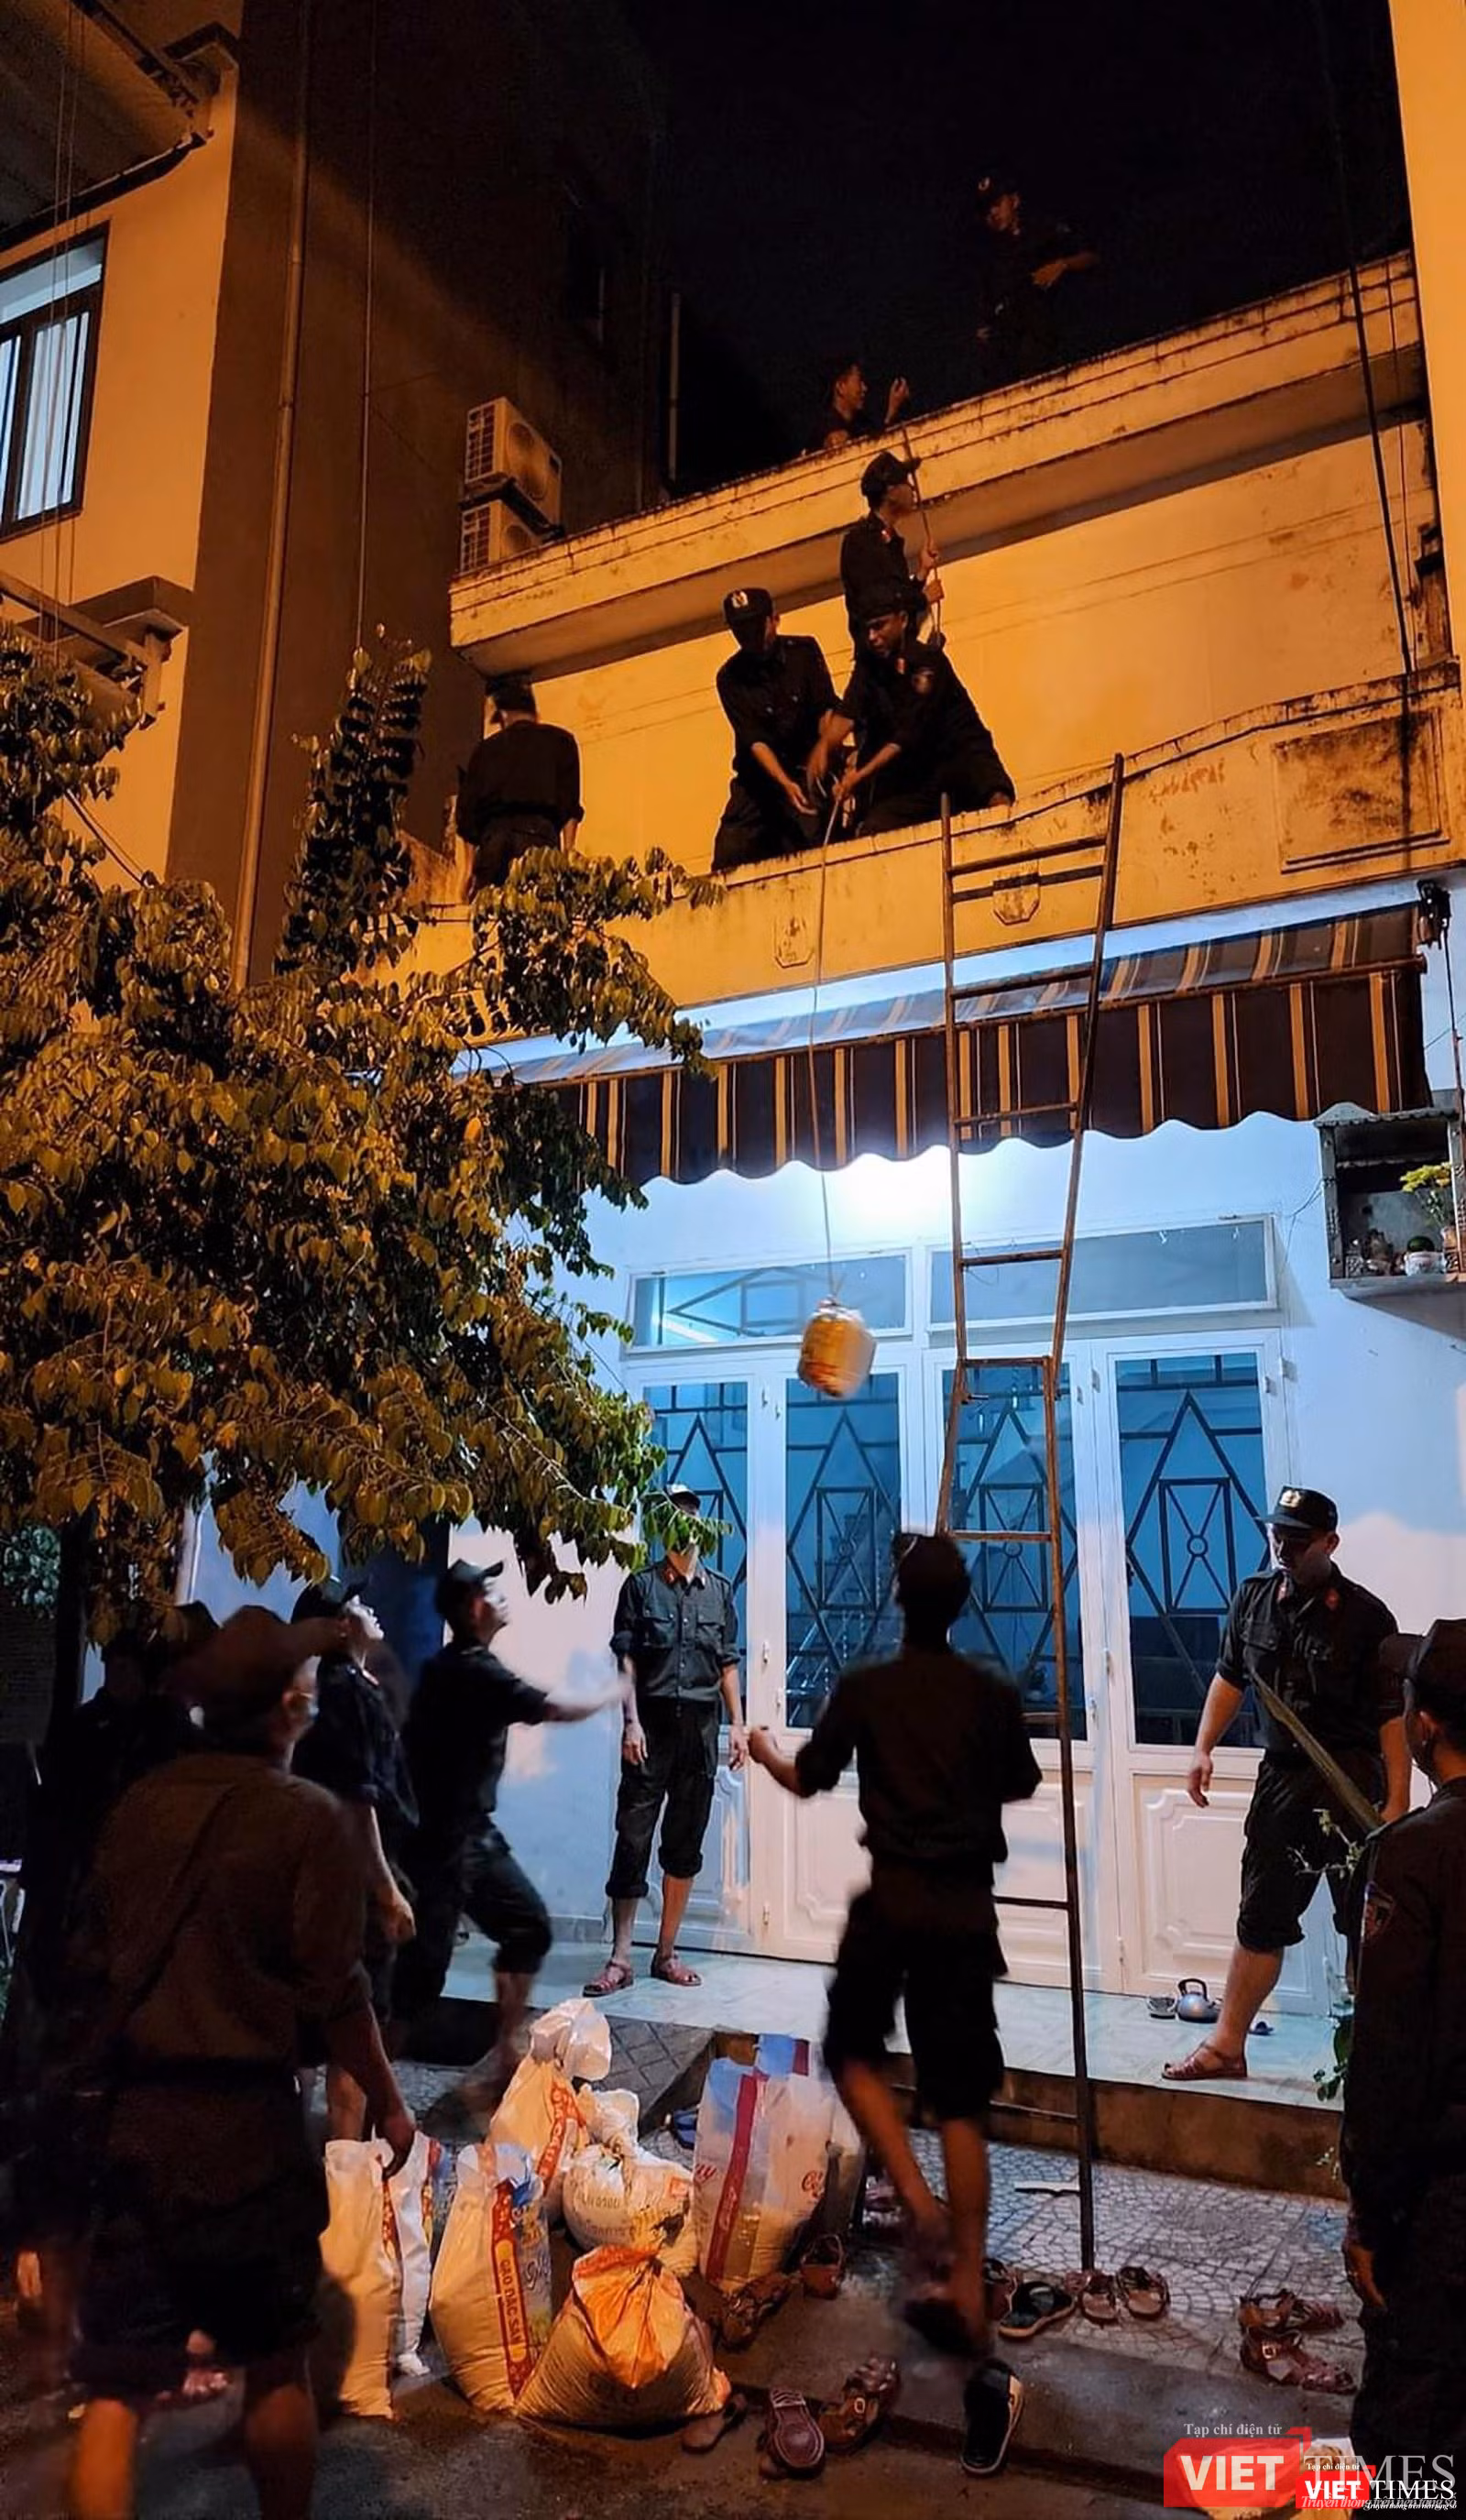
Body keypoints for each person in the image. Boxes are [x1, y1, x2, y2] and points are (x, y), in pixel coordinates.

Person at [67, 1608, 415, 2520]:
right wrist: (389, 2099)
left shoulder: (140, 1806)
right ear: (289, 1710)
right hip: (246, 2137)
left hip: (135, 2129)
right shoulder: (306, 1820)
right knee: (275, 2364)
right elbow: (337, 1992)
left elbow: (87, 1962)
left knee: (117, 2392)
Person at [748, 1533, 1039, 2480]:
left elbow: (807, 1777)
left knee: (849, 2052)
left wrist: (762, 1749)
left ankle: (914, 2202)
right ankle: (968, 2284)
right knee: (962, 2102)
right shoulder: (991, 1691)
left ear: (898, 1598)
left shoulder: (867, 1686)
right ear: (961, 1602)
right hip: (963, 1908)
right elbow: (1020, 1779)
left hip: (894, 1900)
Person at [1164, 1485, 1406, 2084]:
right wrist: (1202, 1749)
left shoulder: (1366, 1617)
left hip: (1349, 1782)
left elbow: (1391, 1717)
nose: (1284, 1548)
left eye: (1298, 1540)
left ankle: (1374, 2065)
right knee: (1260, 1914)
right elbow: (1230, 1678)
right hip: (1282, 1781)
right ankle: (1227, 2047)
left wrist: (1397, 1800)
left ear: (1330, 1543)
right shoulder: (1254, 1599)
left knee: (1366, 1927)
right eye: (1277, 1535)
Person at [393, 1559, 621, 2109]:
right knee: (417, 1982)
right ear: (475, 1607)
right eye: (490, 1589)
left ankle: (504, 2058)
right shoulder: (473, 1671)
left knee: (527, 1927)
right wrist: (613, 1692)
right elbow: (554, 1708)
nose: (500, 1596)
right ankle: (370, 2097)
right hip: (444, 1845)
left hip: (469, 1834)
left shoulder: (453, 1667)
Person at [1344, 1620, 1466, 2470]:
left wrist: (1370, 2214)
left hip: (1443, 2206)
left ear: (1424, 1724)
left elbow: (1387, 2064)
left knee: (1413, 2450)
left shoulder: (1415, 1855)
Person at [585, 1485, 746, 1998]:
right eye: (677, 1519)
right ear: (664, 1528)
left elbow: (727, 1663)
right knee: (632, 1837)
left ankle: (666, 1953)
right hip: (650, 1729)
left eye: (693, 1519)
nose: (685, 1528)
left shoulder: (719, 1591)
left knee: (684, 1842)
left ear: (702, 1528)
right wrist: (630, 1722)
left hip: (699, 1733)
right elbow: (627, 1660)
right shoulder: (640, 1587)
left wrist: (739, 1726)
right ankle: (620, 1957)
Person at [288, 1578, 418, 2140]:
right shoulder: (346, 1693)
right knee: (351, 2039)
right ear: (341, 1627)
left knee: (319, 2037)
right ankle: (342, 2172)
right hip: (352, 1888)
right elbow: (358, 1801)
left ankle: (310, 2160)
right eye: (357, 1606)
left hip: (334, 1882)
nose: (370, 1610)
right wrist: (387, 1892)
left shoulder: (344, 1688)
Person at [813, 601, 1014, 835]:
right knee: (875, 827)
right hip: (917, 779)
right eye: (867, 629)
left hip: (961, 760)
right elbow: (848, 714)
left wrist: (858, 776)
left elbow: (905, 736)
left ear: (902, 620)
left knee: (998, 805)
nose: (872, 637)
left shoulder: (928, 661)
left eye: (879, 626)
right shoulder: (868, 670)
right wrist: (823, 748)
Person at [712, 588, 838, 871]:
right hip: (758, 781)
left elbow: (825, 708)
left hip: (806, 770)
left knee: (818, 843)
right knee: (729, 854)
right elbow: (754, 740)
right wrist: (784, 783)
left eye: (755, 627)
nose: (749, 637)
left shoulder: (803, 652)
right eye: (740, 630)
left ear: (774, 619)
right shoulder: (729, 677)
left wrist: (824, 751)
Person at [973, 170, 1099, 391]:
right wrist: (985, 332)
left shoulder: (1044, 231)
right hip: (1013, 362)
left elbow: (1091, 256)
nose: (993, 213)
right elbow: (985, 316)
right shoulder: (991, 259)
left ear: (1014, 200)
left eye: (997, 204)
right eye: (986, 209)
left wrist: (1062, 265)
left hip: (1057, 346)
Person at [457, 674, 582, 894]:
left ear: (504, 714)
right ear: (534, 714)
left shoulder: (484, 750)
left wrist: (468, 869)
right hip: (539, 837)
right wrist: (569, 851)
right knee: (537, 906)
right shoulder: (562, 741)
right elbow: (569, 805)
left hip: (493, 841)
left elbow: (467, 815)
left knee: (491, 910)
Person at [839, 450, 941, 641]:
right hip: (878, 654)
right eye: (906, 483)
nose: (913, 489)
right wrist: (923, 599)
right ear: (891, 492)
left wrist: (922, 572)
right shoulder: (861, 542)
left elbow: (897, 593)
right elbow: (881, 600)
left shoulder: (889, 540)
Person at [807, 356, 911, 455]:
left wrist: (892, 411)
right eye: (859, 381)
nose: (864, 388)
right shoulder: (824, 428)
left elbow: (877, 448)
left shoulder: (861, 423)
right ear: (841, 387)